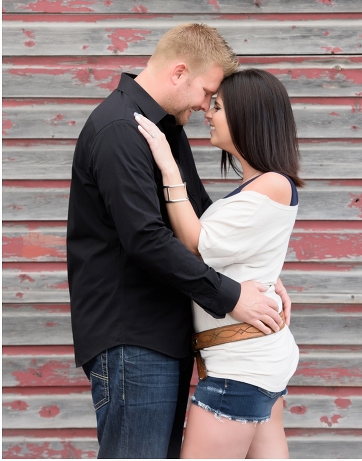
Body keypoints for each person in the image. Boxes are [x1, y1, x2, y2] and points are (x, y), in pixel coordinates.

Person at [67, 24, 291, 459]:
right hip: (132, 336)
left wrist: (259, 282)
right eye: (207, 92)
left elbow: (204, 225)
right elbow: (146, 239)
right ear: (179, 73)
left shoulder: (163, 128)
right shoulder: (120, 130)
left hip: (162, 336)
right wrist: (232, 298)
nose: (207, 105)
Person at [134, 69, 302, 458]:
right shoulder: (259, 186)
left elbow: (196, 243)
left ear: (248, 116)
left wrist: (168, 165)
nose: (208, 113)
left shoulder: (271, 184)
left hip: (241, 366)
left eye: (219, 106)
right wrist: (269, 277)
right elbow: (246, 249)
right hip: (251, 358)